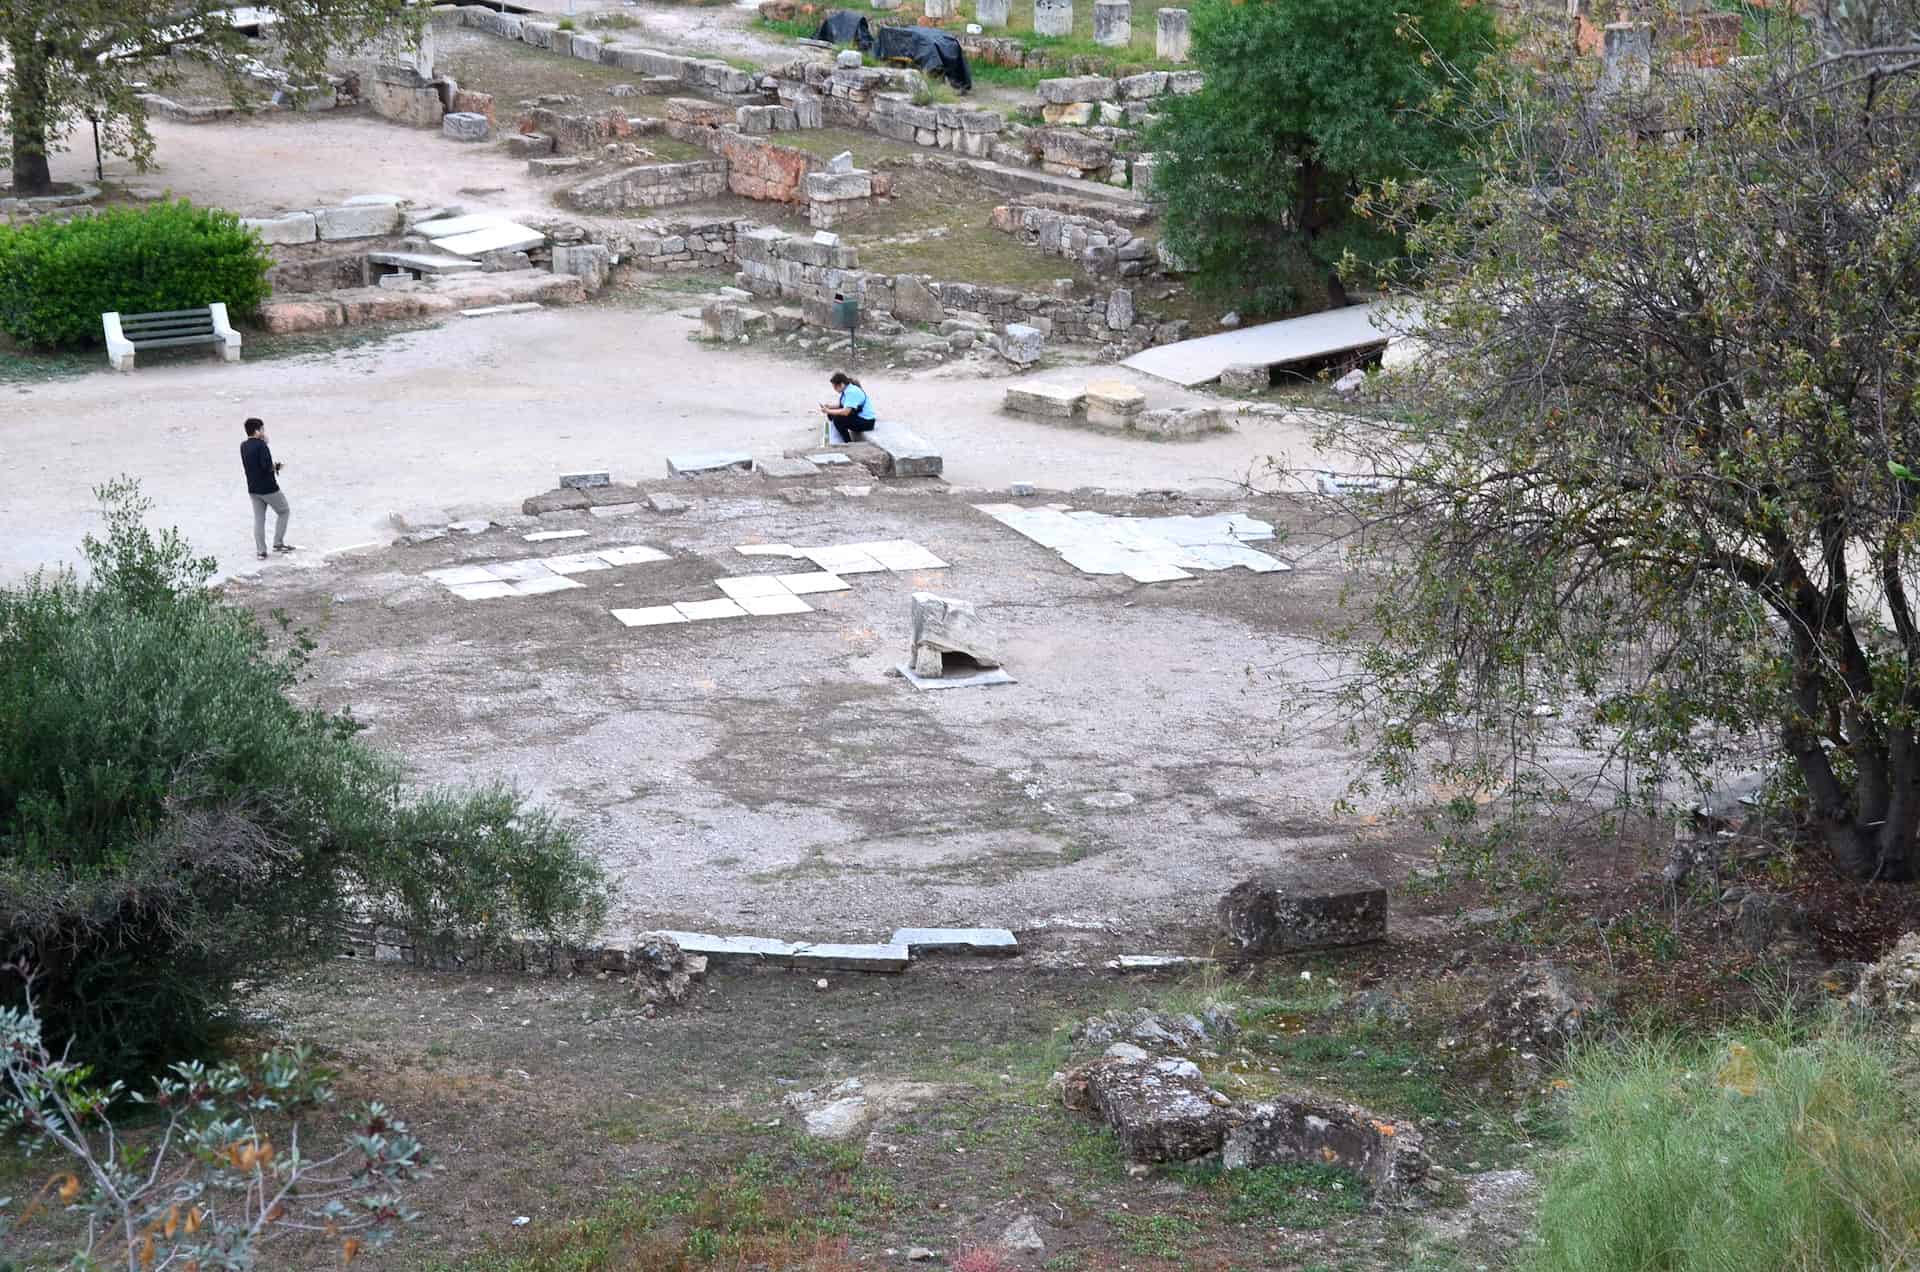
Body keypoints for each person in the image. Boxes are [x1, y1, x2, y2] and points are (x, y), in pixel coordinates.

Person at [240, 417, 295, 560]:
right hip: (268, 488)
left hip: (253, 488)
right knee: (284, 511)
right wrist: (277, 467)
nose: (264, 431)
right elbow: (265, 467)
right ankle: (278, 543)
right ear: (257, 431)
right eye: (262, 429)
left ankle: (261, 551)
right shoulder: (262, 446)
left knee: (259, 519)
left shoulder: (243, 446)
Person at [820, 372, 877, 444]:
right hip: (858, 417)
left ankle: (847, 442)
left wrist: (828, 410)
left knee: (838, 419)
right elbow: (843, 405)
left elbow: (846, 412)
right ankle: (836, 439)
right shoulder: (846, 390)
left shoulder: (851, 392)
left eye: (835, 387)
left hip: (867, 422)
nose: (834, 389)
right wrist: (829, 407)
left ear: (841, 384)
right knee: (832, 414)